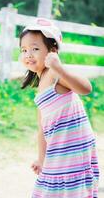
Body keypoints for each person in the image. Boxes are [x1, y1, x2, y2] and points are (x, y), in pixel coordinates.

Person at [19, 18, 99, 198]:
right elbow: (42, 130)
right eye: (24, 50)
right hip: (59, 151)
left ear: (52, 51)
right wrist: (41, 159)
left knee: (69, 191)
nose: (28, 54)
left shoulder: (55, 74)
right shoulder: (40, 89)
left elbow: (86, 88)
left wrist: (60, 69)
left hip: (74, 151)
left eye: (35, 48)